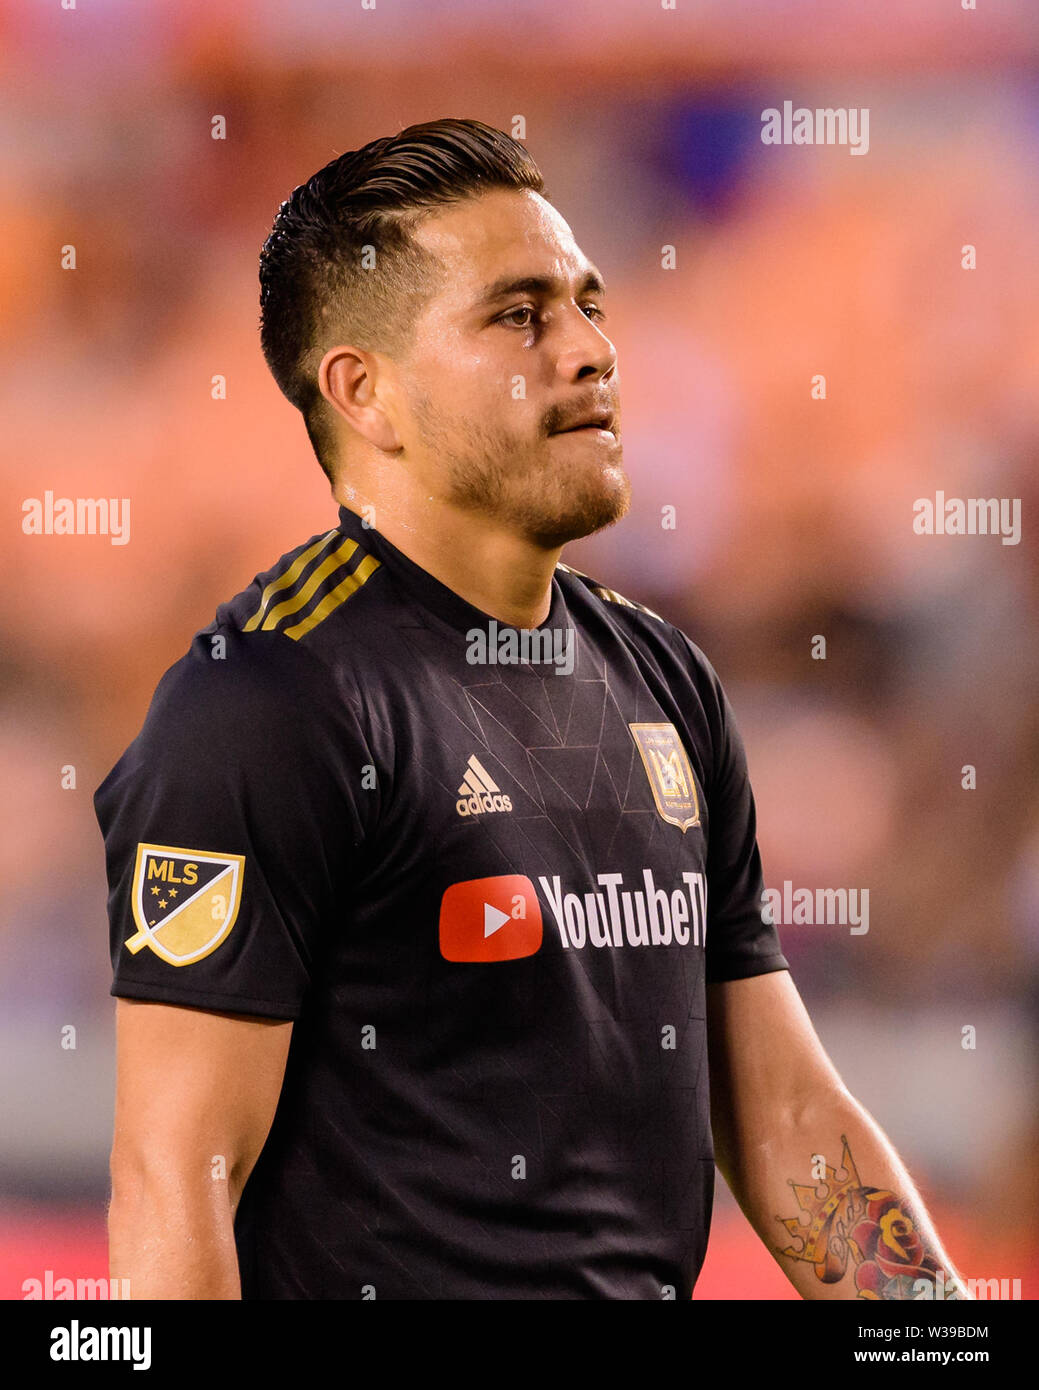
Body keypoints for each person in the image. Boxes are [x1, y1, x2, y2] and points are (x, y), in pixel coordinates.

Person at [96, 118, 967, 1301]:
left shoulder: (663, 678)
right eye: (518, 316)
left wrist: (937, 1331)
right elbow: (174, 1175)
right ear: (367, 394)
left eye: (588, 303)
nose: (591, 350)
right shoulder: (267, 700)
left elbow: (786, 1117)